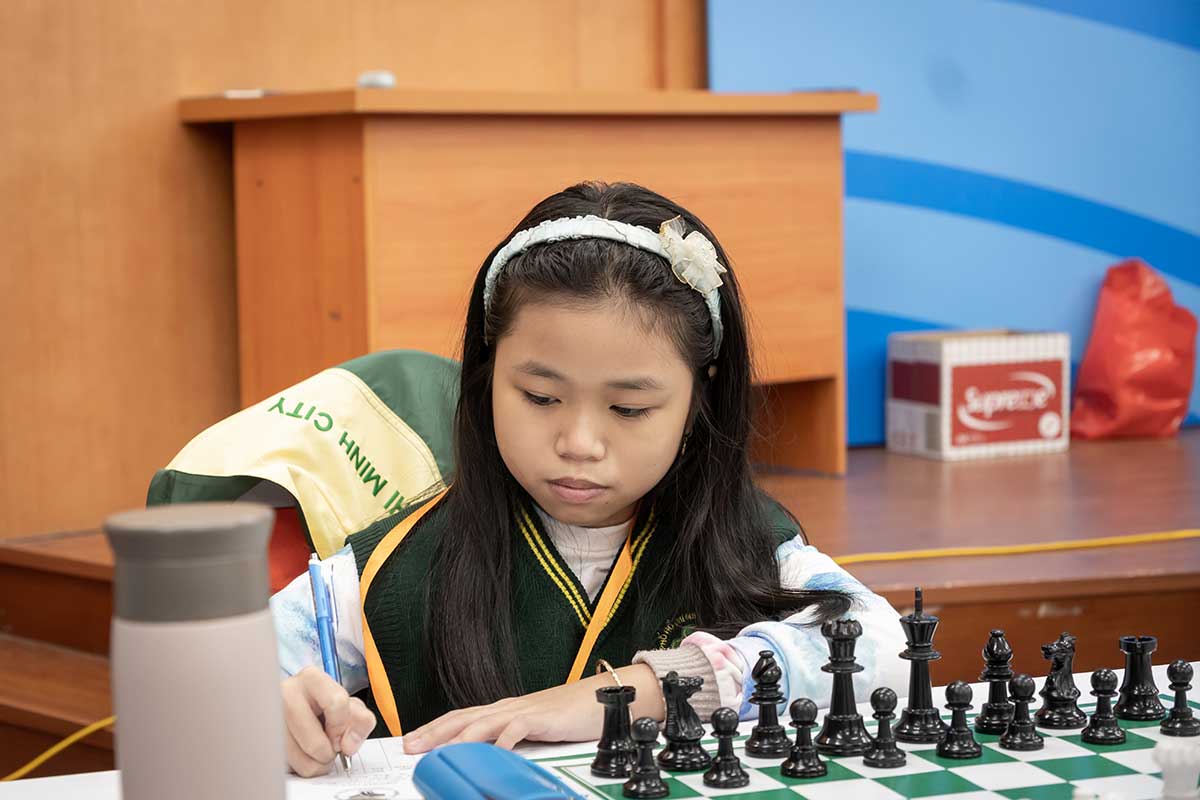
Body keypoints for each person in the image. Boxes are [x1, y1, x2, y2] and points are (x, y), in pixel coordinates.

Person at [270, 180, 908, 777]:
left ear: (698, 404)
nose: (578, 443)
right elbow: (226, 682)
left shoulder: (749, 544)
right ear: (487, 378)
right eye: (540, 397)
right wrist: (276, 709)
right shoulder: (390, 568)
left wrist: (641, 689)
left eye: (629, 409)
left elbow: (884, 648)